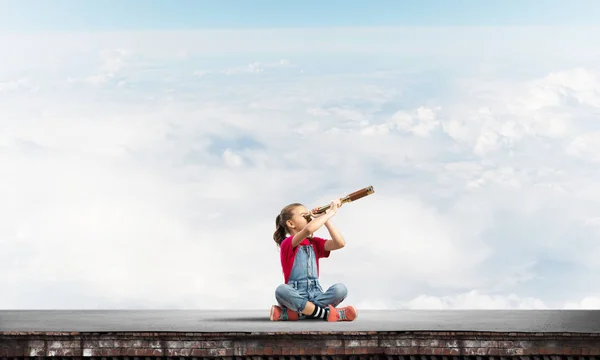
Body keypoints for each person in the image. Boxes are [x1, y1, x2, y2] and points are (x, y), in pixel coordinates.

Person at [270, 198, 357, 321]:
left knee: (341, 289)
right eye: (303, 215)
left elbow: (340, 243)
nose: (308, 216)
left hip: (316, 294)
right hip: (296, 294)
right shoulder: (287, 243)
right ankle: (328, 314)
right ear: (291, 224)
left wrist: (326, 219)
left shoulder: (314, 243)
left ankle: (298, 313)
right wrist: (331, 212)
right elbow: (309, 229)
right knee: (281, 290)